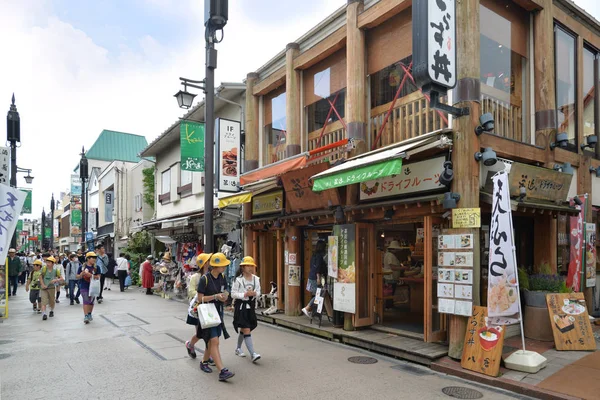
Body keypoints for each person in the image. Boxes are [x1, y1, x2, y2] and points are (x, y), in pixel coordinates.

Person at [197, 252, 234, 381]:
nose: (224, 267)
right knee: (215, 341)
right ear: (215, 266)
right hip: (207, 314)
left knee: (212, 341)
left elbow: (224, 292)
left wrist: (225, 296)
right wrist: (215, 296)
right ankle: (222, 371)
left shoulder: (222, 277)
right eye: (222, 265)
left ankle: (204, 362)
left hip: (218, 313)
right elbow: (200, 299)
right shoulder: (204, 279)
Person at [231, 256, 261, 362]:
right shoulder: (238, 280)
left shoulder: (256, 279)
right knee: (246, 328)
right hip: (241, 306)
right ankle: (253, 354)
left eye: (251, 265)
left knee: (245, 329)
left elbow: (259, 292)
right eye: (247, 265)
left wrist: (254, 293)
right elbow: (233, 294)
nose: (250, 268)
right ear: (242, 267)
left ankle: (238, 348)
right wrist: (244, 294)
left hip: (251, 305)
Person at [184, 253, 212, 360]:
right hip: (198, 308)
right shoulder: (195, 277)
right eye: (208, 261)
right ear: (204, 263)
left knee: (207, 333)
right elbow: (191, 292)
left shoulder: (211, 275)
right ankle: (191, 345)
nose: (210, 263)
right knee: (201, 333)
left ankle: (208, 354)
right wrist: (202, 295)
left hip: (209, 307)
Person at [301, 240, 327, 318]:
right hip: (317, 277)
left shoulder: (314, 255)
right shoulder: (319, 256)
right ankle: (308, 308)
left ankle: (313, 311)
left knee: (318, 293)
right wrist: (318, 277)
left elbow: (313, 267)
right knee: (320, 294)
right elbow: (318, 268)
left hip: (312, 276)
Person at [77, 251, 101, 324]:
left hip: (93, 286)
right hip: (84, 286)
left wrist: (91, 275)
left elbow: (99, 277)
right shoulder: (82, 267)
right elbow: (77, 276)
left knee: (91, 301)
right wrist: (82, 274)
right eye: (92, 258)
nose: (94, 259)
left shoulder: (97, 267)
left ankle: (90, 313)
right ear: (88, 258)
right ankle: (86, 315)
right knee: (86, 300)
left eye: (95, 258)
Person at [39, 256, 63, 320]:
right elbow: (40, 277)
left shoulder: (56, 271)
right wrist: (43, 284)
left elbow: (61, 278)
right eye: (47, 262)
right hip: (44, 288)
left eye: (49, 262)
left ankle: (51, 310)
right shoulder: (43, 269)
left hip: (52, 288)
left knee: (52, 301)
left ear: (53, 263)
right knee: (43, 301)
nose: (47, 263)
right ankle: (44, 314)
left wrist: (55, 280)